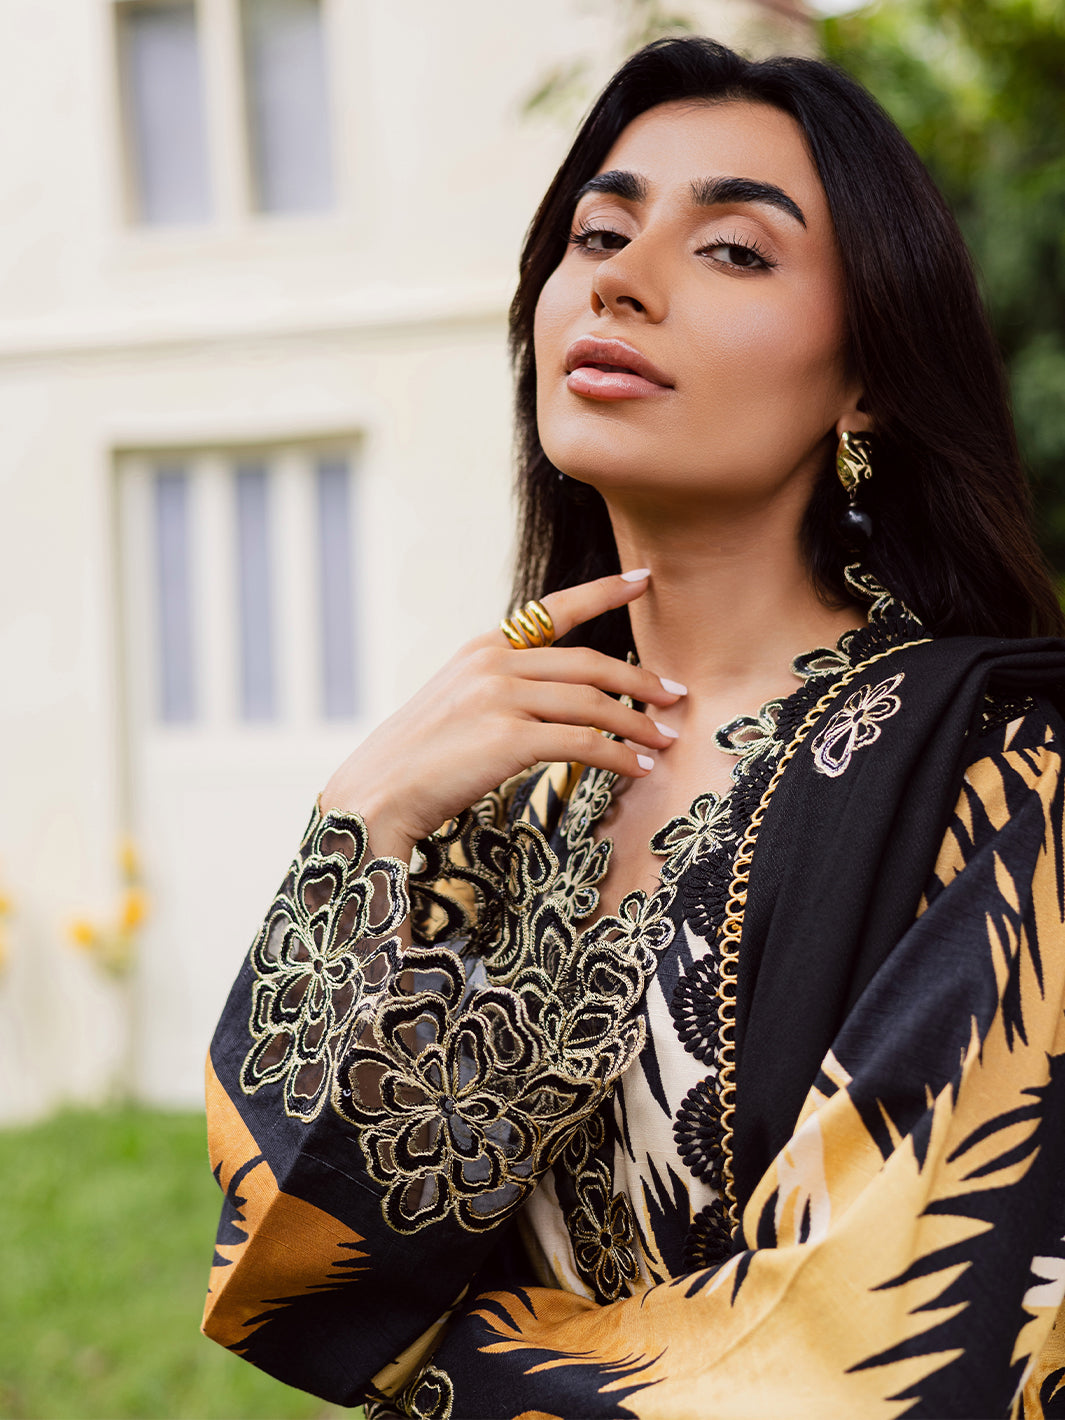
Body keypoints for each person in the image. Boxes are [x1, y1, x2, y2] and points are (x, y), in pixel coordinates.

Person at [201, 36, 1065, 1420]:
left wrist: (422, 1368)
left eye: (732, 250)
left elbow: (877, 1358)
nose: (619, 278)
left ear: (867, 379)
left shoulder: (1000, 774)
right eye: (598, 233)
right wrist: (362, 820)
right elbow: (288, 1263)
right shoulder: (508, 792)